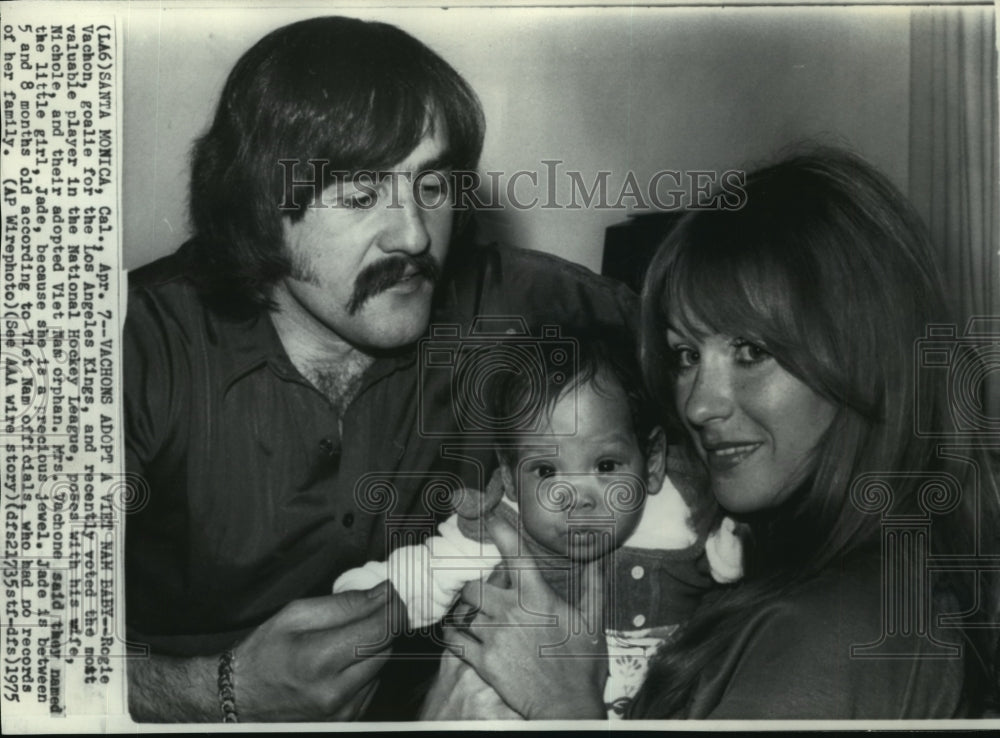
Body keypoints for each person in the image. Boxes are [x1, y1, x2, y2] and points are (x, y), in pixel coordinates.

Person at [123, 16, 635, 722]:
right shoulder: (131, 347)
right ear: (257, 209)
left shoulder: (510, 304)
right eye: (362, 197)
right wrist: (217, 688)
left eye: (431, 186)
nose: (414, 234)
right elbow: (26, 658)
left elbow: (731, 337)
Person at [440, 148, 1000, 719]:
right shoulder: (850, 571)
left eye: (751, 351)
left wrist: (563, 704)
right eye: (685, 355)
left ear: (869, 358)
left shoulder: (835, 629)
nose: (699, 404)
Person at [332, 332, 743, 718]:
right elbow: (424, 573)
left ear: (651, 463)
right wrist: (370, 606)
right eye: (546, 470)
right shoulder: (500, 527)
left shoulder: (684, 512)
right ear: (510, 478)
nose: (577, 497)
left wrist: (736, 544)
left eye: (605, 466)